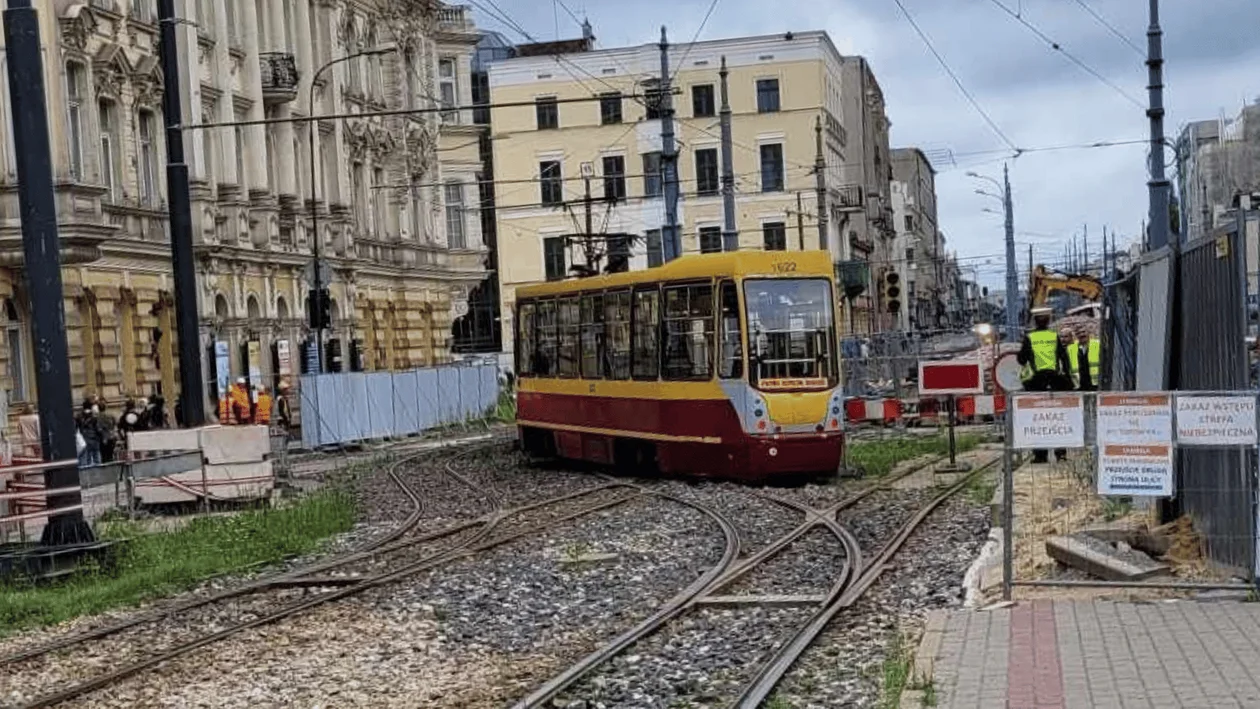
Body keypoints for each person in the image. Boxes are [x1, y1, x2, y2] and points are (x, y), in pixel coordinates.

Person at [1018, 307, 1073, 463]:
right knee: (1058, 418)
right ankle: (1060, 453)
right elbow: (1064, 358)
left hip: (1036, 383)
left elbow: (1021, 360)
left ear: (1035, 320)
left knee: (1037, 418)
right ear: (1049, 320)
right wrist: (1067, 378)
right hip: (1055, 381)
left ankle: (1040, 455)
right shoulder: (1053, 336)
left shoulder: (1029, 338)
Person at [75, 401, 107, 467]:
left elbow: (76, 428)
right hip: (94, 440)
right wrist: (103, 437)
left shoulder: (78, 416)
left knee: (87, 459)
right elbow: (98, 429)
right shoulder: (94, 416)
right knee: (97, 457)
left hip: (84, 440)